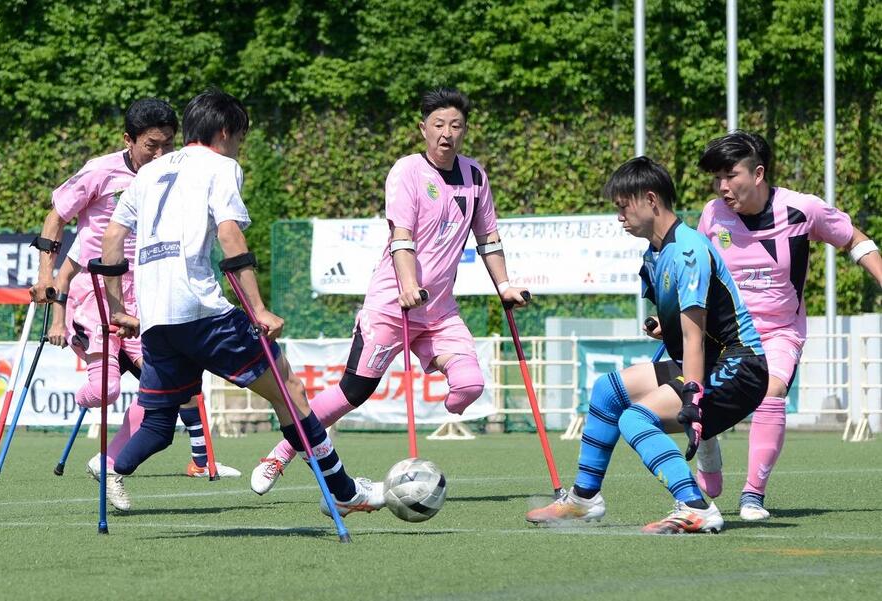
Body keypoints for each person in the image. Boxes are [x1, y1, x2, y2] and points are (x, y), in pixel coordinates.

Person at [100, 88, 383, 516]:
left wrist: (119, 308)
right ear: (227, 132)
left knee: (158, 427)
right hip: (202, 314)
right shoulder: (222, 166)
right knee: (289, 391)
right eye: (240, 138)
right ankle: (343, 491)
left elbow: (112, 239)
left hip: (156, 320)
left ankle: (110, 468)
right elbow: (230, 235)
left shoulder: (147, 173)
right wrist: (259, 309)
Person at [250, 87, 528, 495]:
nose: (446, 133)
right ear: (423, 129)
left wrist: (504, 285)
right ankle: (282, 451)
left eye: (455, 125)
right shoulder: (407, 171)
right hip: (391, 304)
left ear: (465, 131)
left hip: (438, 312)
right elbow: (402, 236)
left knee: (469, 385)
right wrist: (409, 284)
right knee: (353, 392)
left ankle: (441, 417)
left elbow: (488, 238)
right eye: (438, 125)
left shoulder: (475, 177)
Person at [526, 156, 769, 534]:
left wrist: (692, 396)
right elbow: (688, 326)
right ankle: (584, 499)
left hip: (740, 368)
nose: (620, 217)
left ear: (651, 200)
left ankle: (695, 506)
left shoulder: (688, 250)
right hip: (709, 361)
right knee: (607, 391)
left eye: (624, 207)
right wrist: (662, 326)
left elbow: (693, 336)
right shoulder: (654, 254)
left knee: (635, 417)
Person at [29, 99, 239, 512]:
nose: (159, 154)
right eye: (151, 146)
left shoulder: (178, 170)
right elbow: (56, 217)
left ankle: (110, 466)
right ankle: (87, 398)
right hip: (96, 293)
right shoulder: (100, 171)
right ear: (129, 140)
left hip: (146, 293)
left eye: (167, 145)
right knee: (107, 390)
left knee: (162, 390)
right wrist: (45, 276)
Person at [694, 131, 882, 521]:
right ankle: (708, 453)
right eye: (717, 179)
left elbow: (853, 240)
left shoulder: (803, 209)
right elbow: (695, 271)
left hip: (780, 330)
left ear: (758, 173)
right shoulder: (713, 215)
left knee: (771, 391)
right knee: (697, 398)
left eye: (731, 176)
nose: (723, 187)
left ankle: (752, 496)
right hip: (724, 332)